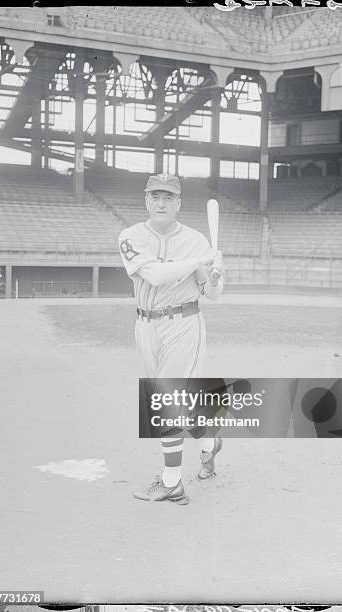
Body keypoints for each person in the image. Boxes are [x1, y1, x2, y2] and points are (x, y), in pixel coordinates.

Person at [118, 173, 224, 505]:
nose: (161, 203)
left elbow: (213, 294)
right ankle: (208, 443)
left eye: (168, 197)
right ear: (146, 200)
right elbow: (155, 275)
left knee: (167, 399)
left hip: (183, 323)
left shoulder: (196, 240)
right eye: (155, 197)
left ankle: (172, 481)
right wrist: (198, 262)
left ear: (178, 203)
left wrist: (216, 274)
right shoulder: (130, 236)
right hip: (146, 325)